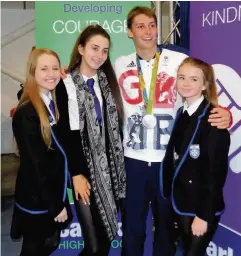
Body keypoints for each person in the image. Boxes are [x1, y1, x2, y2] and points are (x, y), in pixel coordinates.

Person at [113, 6, 232, 256]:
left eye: (152, 25)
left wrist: (225, 112)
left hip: (167, 163)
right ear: (129, 32)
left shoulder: (178, 59)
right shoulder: (119, 63)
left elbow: (203, 81)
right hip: (132, 160)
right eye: (140, 26)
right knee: (133, 226)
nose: (148, 31)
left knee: (167, 229)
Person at [56, 25, 126, 256]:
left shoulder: (107, 82)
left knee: (104, 242)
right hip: (84, 172)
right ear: (81, 48)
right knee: (94, 244)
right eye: (94, 48)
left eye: (105, 51)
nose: (99, 55)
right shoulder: (65, 83)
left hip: (110, 172)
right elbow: (68, 133)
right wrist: (77, 174)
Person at [160, 57, 230, 256]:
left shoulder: (214, 120)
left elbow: (215, 174)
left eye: (193, 79)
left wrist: (204, 215)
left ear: (205, 85)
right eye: (181, 77)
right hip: (181, 203)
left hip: (201, 207)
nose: (186, 83)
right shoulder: (182, 113)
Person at [10, 48, 72, 256]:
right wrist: (55, 205)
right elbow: (35, 165)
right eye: (44, 69)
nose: (51, 74)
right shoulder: (27, 112)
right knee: (35, 246)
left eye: (55, 68)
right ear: (32, 72)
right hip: (38, 196)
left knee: (50, 242)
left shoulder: (50, 104)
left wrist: (64, 75)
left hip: (50, 192)